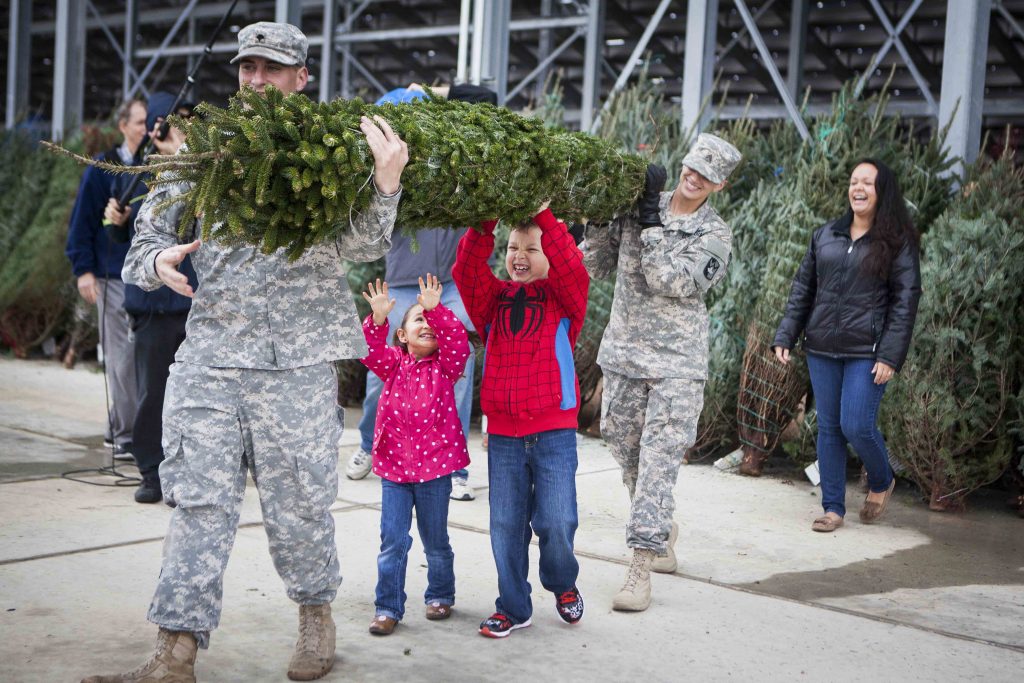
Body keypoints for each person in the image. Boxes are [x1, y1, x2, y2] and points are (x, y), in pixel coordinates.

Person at [81, 22, 409, 683]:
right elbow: (148, 239)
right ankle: (175, 649)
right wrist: (157, 263)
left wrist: (384, 184)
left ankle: (316, 615)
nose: (256, 78)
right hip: (213, 355)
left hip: (298, 361)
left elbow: (360, 246)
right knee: (197, 500)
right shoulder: (204, 150)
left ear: (300, 78)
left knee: (301, 504)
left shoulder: (328, 150)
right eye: (247, 67)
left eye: (272, 67)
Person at [581, 133, 741, 612]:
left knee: (657, 463)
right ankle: (660, 524)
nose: (693, 178)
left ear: (720, 184)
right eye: (691, 167)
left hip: (677, 364)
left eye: (706, 176)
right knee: (625, 451)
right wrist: (597, 218)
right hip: (625, 354)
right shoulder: (639, 206)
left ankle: (639, 568)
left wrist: (650, 219)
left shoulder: (716, 236)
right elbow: (598, 265)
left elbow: (668, 280)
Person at [346, 83, 499, 503]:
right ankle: (367, 446)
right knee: (384, 376)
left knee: (458, 368)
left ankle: (456, 468)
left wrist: (434, 90)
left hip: (448, 286)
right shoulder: (384, 175)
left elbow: (487, 100)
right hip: (400, 285)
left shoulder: (451, 166)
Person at [453, 203, 589, 638]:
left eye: (532, 248)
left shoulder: (565, 300)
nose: (520, 256)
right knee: (506, 527)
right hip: (507, 437)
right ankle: (513, 606)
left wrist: (547, 220)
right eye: (513, 247)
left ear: (548, 252)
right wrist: (486, 217)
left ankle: (562, 582)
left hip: (554, 433)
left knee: (556, 521)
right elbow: (467, 271)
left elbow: (571, 267)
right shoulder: (492, 303)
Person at [772, 158, 921, 533]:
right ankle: (833, 507)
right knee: (829, 428)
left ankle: (882, 478)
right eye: (854, 181)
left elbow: (906, 301)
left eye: (868, 183)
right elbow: (803, 289)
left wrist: (890, 354)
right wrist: (786, 334)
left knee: (856, 423)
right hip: (822, 346)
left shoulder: (896, 241)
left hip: (867, 351)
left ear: (882, 191)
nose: (858, 188)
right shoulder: (826, 235)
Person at [359, 275, 470, 636]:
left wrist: (437, 311)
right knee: (392, 541)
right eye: (418, 319)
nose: (427, 323)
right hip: (394, 472)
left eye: (431, 320)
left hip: (435, 472)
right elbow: (370, 350)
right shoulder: (392, 364)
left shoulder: (445, 368)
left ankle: (440, 593)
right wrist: (377, 320)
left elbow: (457, 341)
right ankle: (388, 607)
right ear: (402, 335)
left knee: (435, 540)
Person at [103, 92, 196, 504]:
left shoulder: (200, 167)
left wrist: (182, 156)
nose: (182, 126)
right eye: (174, 120)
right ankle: (151, 470)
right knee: (153, 392)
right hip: (152, 304)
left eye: (189, 119)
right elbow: (120, 236)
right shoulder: (138, 173)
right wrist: (116, 222)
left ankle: (188, 473)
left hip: (195, 301)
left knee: (194, 397)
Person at [65, 98, 148, 460]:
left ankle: (122, 426)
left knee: (144, 358)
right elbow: (81, 222)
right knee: (121, 358)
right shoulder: (101, 170)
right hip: (111, 277)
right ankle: (126, 433)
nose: (147, 129)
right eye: (141, 122)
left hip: (146, 276)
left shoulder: (154, 167)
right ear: (123, 126)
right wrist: (84, 270)